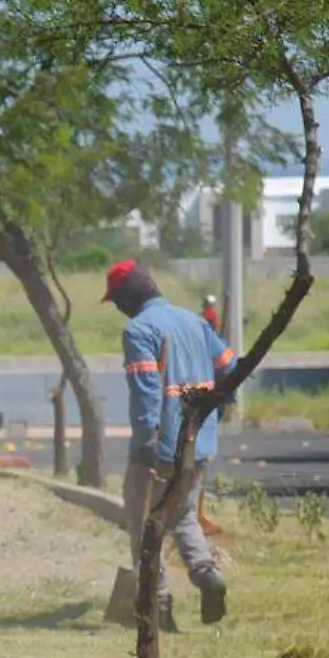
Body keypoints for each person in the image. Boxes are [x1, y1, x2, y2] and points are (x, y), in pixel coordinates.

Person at [103, 259, 233, 630]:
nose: (116, 308)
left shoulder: (139, 330)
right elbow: (229, 366)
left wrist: (147, 450)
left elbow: (146, 397)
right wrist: (210, 413)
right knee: (184, 515)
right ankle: (206, 574)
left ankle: (157, 609)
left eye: (116, 300)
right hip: (199, 445)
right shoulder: (195, 322)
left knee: (143, 525)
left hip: (160, 451)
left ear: (128, 297)